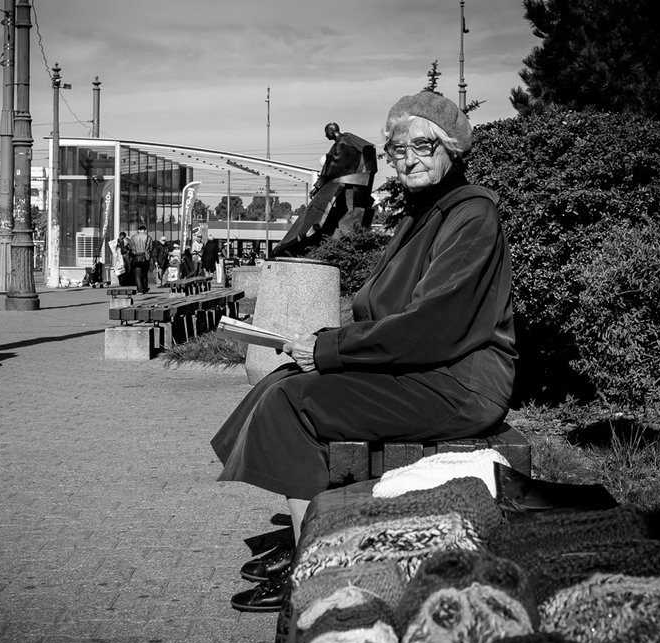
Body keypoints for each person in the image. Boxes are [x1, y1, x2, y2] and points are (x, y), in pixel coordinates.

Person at [211, 92, 517, 613]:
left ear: (452, 148)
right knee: (283, 379)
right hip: (428, 370)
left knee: (295, 401)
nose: (410, 159)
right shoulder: (425, 214)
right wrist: (320, 343)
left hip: (459, 382)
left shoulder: (471, 214)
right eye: (398, 149)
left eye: (424, 145)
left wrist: (331, 349)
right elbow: (391, 311)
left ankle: (316, 570)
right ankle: (310, 539)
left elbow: (432, 324)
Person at [272, 121, 377, 257]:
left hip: (348, 185)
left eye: (326, 132)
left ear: (331, 131)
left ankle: (294, 244)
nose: (325, 135)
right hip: (350, 185)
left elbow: (333, 167)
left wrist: (319, 184)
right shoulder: (348, 140)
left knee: (324, 215)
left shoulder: (342, 144)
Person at [127, 224, 153, 294]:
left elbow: (130, 248)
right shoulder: (148, 237)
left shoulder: (133, 237)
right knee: (144, 274)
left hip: (136, 257)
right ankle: (145, 289)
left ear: (138, 230)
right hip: (145, 257)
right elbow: (150, 248)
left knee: (137, 275)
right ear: (145, 230)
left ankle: (139, 290)